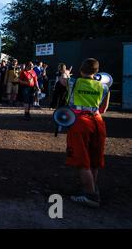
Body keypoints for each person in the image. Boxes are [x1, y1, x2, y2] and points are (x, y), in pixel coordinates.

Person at [65, 58, 110, 208]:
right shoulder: (104, 88)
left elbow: (62, 80)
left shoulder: (73, 82)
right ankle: (90, 188)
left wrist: (66, 73)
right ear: (97, 71)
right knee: (94, 158)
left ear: (81, 70)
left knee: (81, 159)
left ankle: (90, 195)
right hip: (97, 121)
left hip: (80, 121)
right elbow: (103, 109)